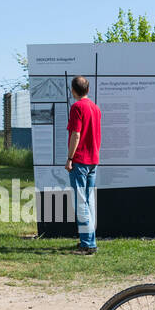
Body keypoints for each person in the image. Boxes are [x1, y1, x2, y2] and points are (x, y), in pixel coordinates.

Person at [64, 75, 101, 253]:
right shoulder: (95, 108)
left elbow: (76, 134)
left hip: (80, 160)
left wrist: (70, 158)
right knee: (89, 202)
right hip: (93, 160)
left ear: (73, 90)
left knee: (81, 202)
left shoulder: (77, 107)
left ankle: (88, 244)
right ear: (87, 89)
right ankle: (89, 240)